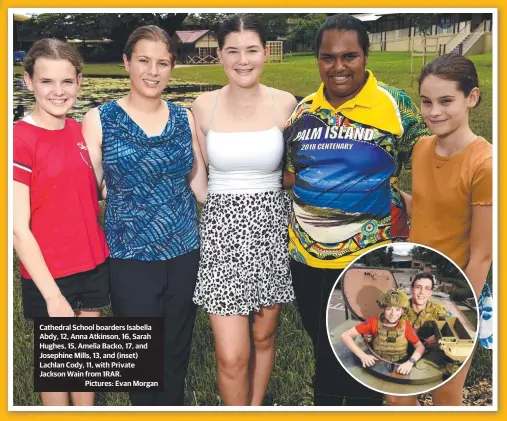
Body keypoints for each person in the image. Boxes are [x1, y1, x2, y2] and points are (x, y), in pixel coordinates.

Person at [283, 14, 428, 406]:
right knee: (326, 346)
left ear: (366, 56)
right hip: (306, 258)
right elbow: (292, 176)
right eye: (328, 57)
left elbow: (433, 161)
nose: (338, 67)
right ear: (317, 60)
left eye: (349, 56)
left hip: (369, 260)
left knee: (352, 358)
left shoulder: (394, 104)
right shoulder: (302, 112)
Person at [82, 25, 207, 406]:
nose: (153, 71)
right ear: (126, 63)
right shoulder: (100, 118)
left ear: (172, 68)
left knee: (176, 346)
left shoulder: (185, 118)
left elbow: (200, 185)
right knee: (140, 353)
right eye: (143, 61)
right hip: (129, 254)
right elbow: (90, 189)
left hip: (184, 249)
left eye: (163, 62)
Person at [191, 14, 297, 406]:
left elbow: (299, 170)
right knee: (231, 354)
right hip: (222, 234)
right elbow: (198, 177)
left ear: (265, 53)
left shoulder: (285, 103)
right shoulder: (202, 106)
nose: (243, 60)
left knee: (263, 337)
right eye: (232, 51)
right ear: (220, 55)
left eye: (251, 50)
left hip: (271, 229)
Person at [13, 39, 109, 406]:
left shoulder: (81, 131)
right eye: (47, 81)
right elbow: (18, 228)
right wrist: (52, 296)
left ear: (79, 82)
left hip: (93, 262)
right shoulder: (19, 140)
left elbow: (89, 190)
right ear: (28, 82)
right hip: (49, 272)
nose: (58, 91)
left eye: (66, 82)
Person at [394, 53, 493, 406]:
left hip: (457, 293)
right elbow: (427, 207)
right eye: (426, 101)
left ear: (472, 98)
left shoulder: (486, 164)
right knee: (397, 392)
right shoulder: (422, 148)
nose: (434, 112)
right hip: (412, 286)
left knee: (444, 392)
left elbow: (482, 254)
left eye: (446, 101)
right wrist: (392, 196)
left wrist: (457, 313)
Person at [341, 289, 424, 375]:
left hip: (400, 366)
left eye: (397, 309)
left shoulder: (406, 326)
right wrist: (363, 356)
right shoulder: (373, 323)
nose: (393, 313)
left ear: (402, 310)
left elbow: (420, 347)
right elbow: (345, 336)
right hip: (378, 366)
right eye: (388, 308)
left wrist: (410, 362)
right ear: (383, 308)